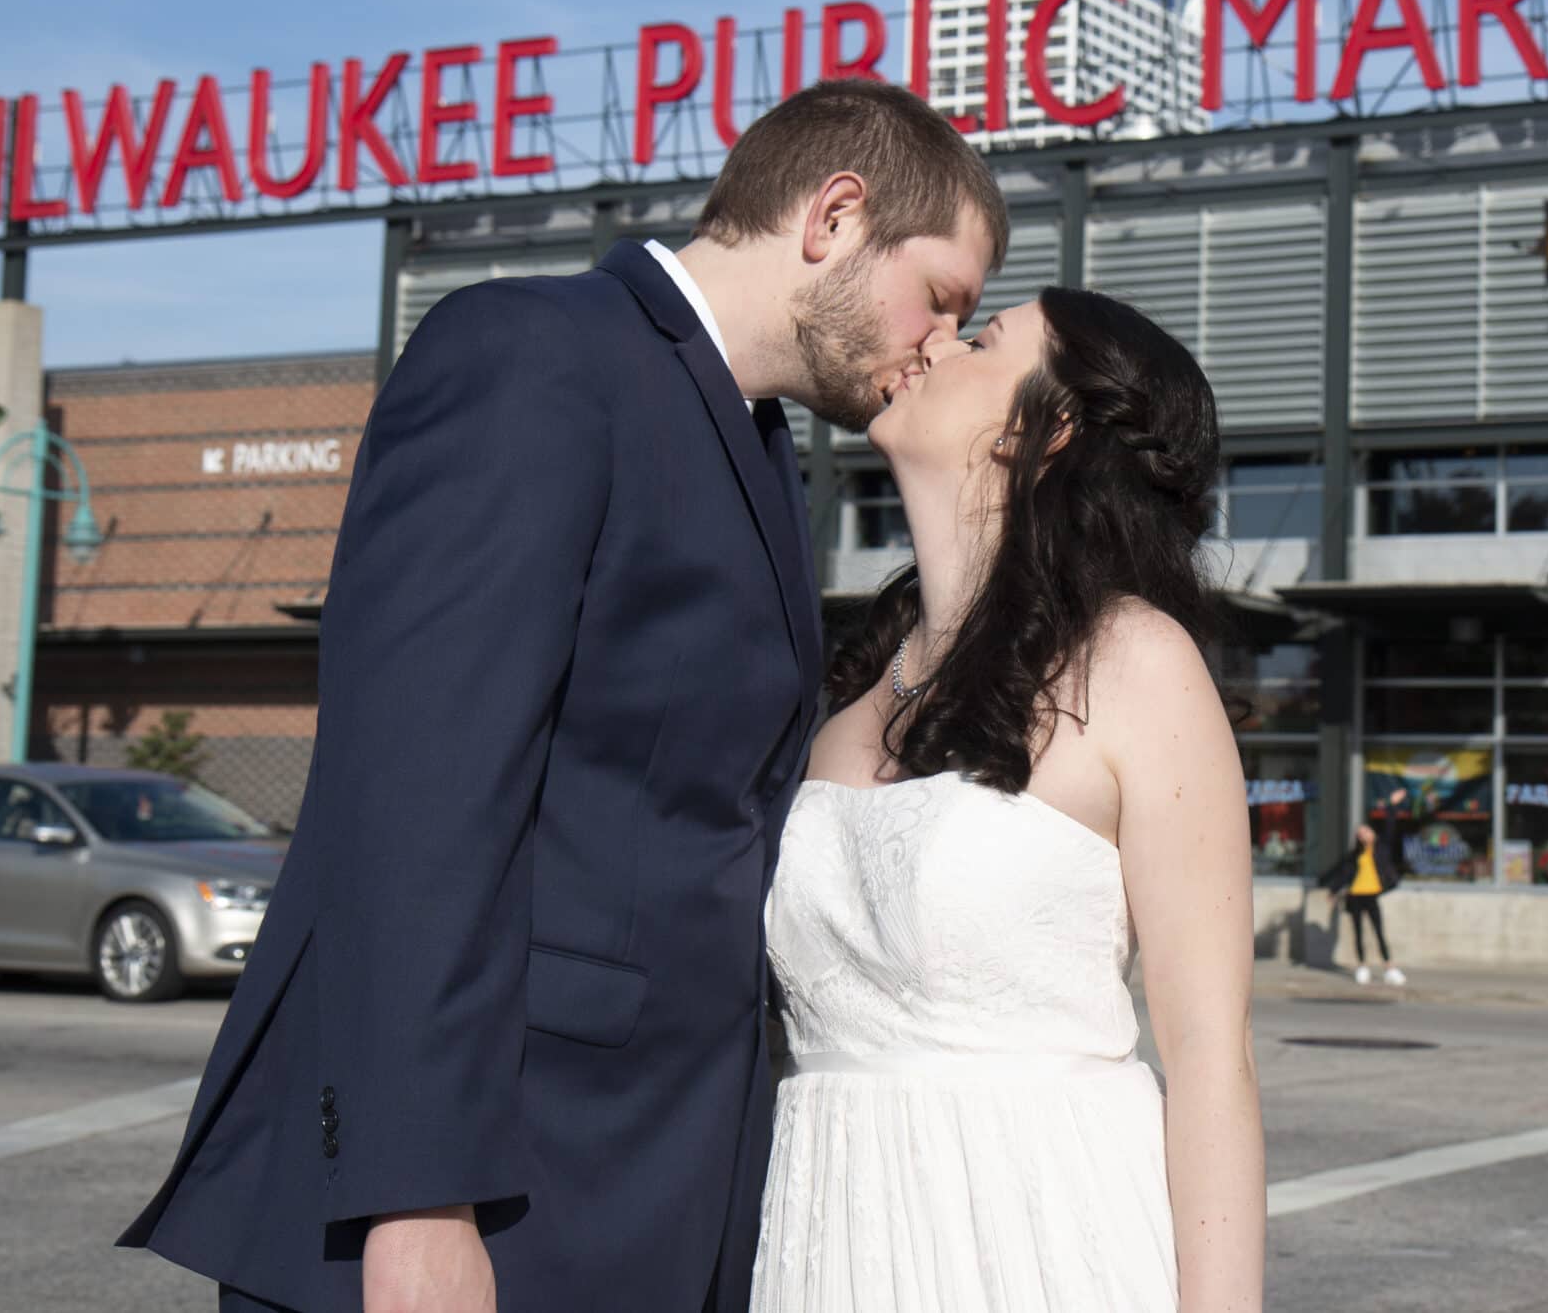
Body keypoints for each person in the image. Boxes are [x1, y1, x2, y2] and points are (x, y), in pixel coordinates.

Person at [119, 79, 1006, 1313]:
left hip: (652, 1184)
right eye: (943, 297)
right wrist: (414, 1201)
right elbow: (422, 793)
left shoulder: (752, 440)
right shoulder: (531, 355)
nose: (942, 342)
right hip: (491, 1190)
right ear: (836, 216)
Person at [753, 286, 1265, 1313]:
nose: (932, 337)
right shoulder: (846, 692)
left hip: (1044, 1239)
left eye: (980, 338)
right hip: (828, 1236)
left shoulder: (1133, 665)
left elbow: (1213, 1059)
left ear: (1049, 426)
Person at [1317, 788, 1407, 986]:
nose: (1363, 836)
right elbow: (1344, 875)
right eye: (1359, 834)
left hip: (1371, 895)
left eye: (1365, 832)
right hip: (1355, 895)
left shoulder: (1381, 849)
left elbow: (1390, 826)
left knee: (1379, 932)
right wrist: (1333, 891)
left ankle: (1390, 968)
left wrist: (1392, 805)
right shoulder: (1355, 855)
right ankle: (1362, 966)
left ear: (1372, 833)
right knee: (1357, 932)